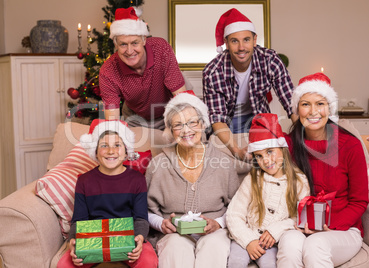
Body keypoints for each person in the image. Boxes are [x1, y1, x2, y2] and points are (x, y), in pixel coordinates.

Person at [277, 73, 369, 267]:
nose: (313, 111)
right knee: (289, 244)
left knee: (315, 244)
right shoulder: (288, 145)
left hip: (342, 229)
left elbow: (360, 201)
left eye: (320, 103)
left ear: (330, 108)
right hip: (299, 225)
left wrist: (328, 226)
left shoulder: (350, 145)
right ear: (296, 110)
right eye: (305, 104)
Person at [145, 91, 240, 268]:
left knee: (214, 246)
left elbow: (238, 206)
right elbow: (145, 209)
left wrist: (218, 223)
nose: (186, 130)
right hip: (173, 234)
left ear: (203, 124)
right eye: (178, 125)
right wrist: (161, 224)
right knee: (175, 246)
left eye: (192, 122)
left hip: (214, 232)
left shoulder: (223, 162)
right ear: (171, 131)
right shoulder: (157, 164)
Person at [57, 120, 158, 268]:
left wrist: (139, 239)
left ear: (126, 151)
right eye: (104, 145)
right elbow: (79, 220)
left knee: (148, 261)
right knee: (65, 265)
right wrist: (73, 241)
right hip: (92, 239)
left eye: (117, 145)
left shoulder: (137, 179)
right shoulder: (84, 181)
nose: (111, 151)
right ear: (95, 151)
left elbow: (141, 218)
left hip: (128, 237)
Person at [202, 8, 298, 161]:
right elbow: (218, 119)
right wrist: (237, 151)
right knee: (220, 158)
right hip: (226, 122)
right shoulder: (213, 71)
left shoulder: (270, 60)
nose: (241, 47)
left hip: (258, 118)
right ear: (226, 43)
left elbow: (291, 103)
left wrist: (305, 138)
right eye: (234, 41)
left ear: (255, 40)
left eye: (246, 39)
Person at [226, 113, 310, 268]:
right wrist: (248, 240)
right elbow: (233, 214)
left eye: (270, 151)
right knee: (235, 262)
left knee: (270, 264)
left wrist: (277, 229)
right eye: (259, 155)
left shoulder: (299, 181)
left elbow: (302, 217)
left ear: (282, 149)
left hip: (272, 243)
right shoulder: (253, 179)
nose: (265, 160)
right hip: (246, 238)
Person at [99, 7, 187, 129]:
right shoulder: (108, 71)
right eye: (123, 44)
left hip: (168, 111)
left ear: (144, 40)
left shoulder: (161, 48)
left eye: (135, 43)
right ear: (115, 44)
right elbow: (112, 120)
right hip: (134, 117)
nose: (129, 51)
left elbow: (181, 97)